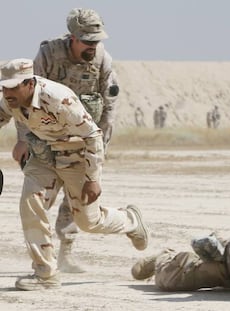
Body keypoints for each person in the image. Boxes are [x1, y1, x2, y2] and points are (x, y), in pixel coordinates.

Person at [0, 58, 149, 291]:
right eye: (4, 86)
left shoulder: (59, 98)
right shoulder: (10, 100)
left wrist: (92, 179)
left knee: (89, 222)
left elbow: (93, 136)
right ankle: (45, 274)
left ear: (29, 83)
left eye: (13, 86)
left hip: (76, 157)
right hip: (44, 157)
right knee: (30, 203)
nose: (7, 92)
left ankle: (130, 220)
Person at [11, 8, 120, 273]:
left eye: (96, 41)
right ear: (72, 38)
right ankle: (43, 263)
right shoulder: (48, 55)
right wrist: (23, 139)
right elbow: (24, 96)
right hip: (45, 139)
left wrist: (99, 151)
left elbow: (109, 108)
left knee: (78, 206)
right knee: (38, 199)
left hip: (82, 140)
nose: (93, 46)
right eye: (87, 41)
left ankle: (66, 253)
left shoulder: (103, 60)